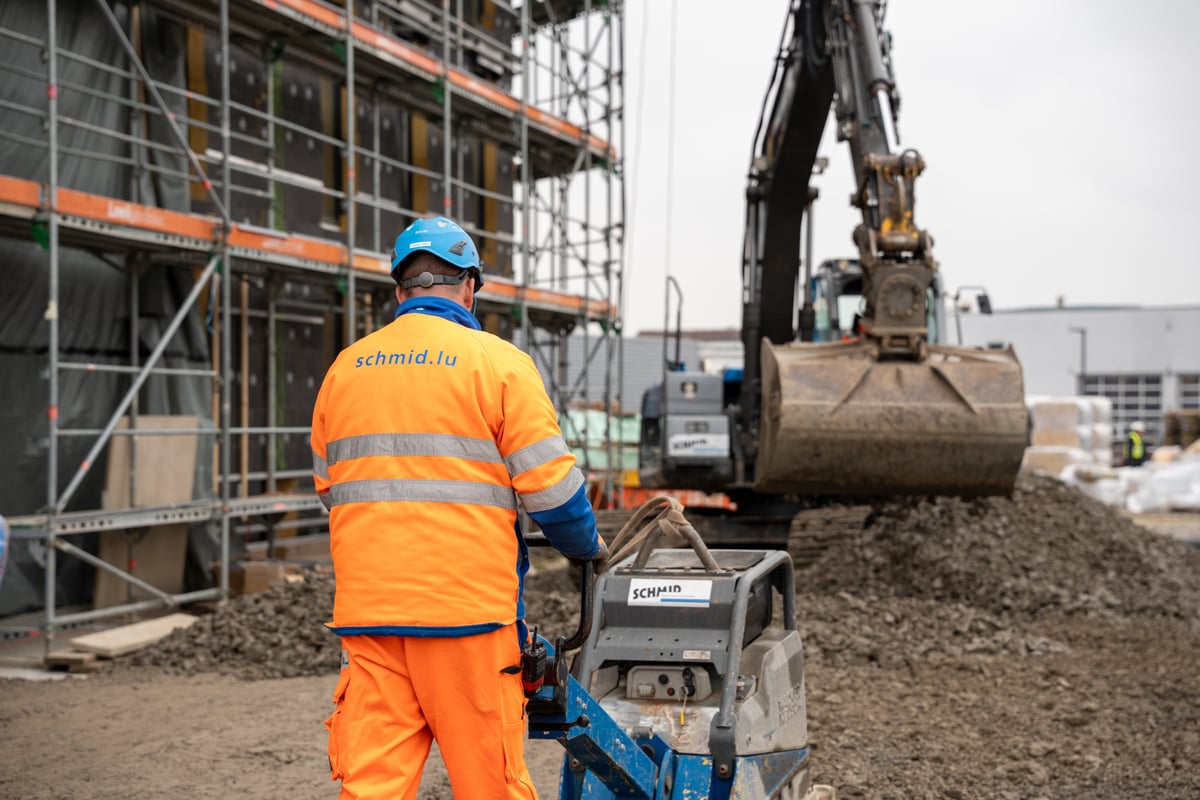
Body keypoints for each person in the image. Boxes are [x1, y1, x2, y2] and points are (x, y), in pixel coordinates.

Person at [310, 216, 606, 799]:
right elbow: (552, 492)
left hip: (371, 619)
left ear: (400, 291)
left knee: (370, 786)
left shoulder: (344, 370)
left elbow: (330, 489)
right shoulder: (498, 365)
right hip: (467, 620)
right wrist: (587, 549)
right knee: (491, 785)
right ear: (470, 286)